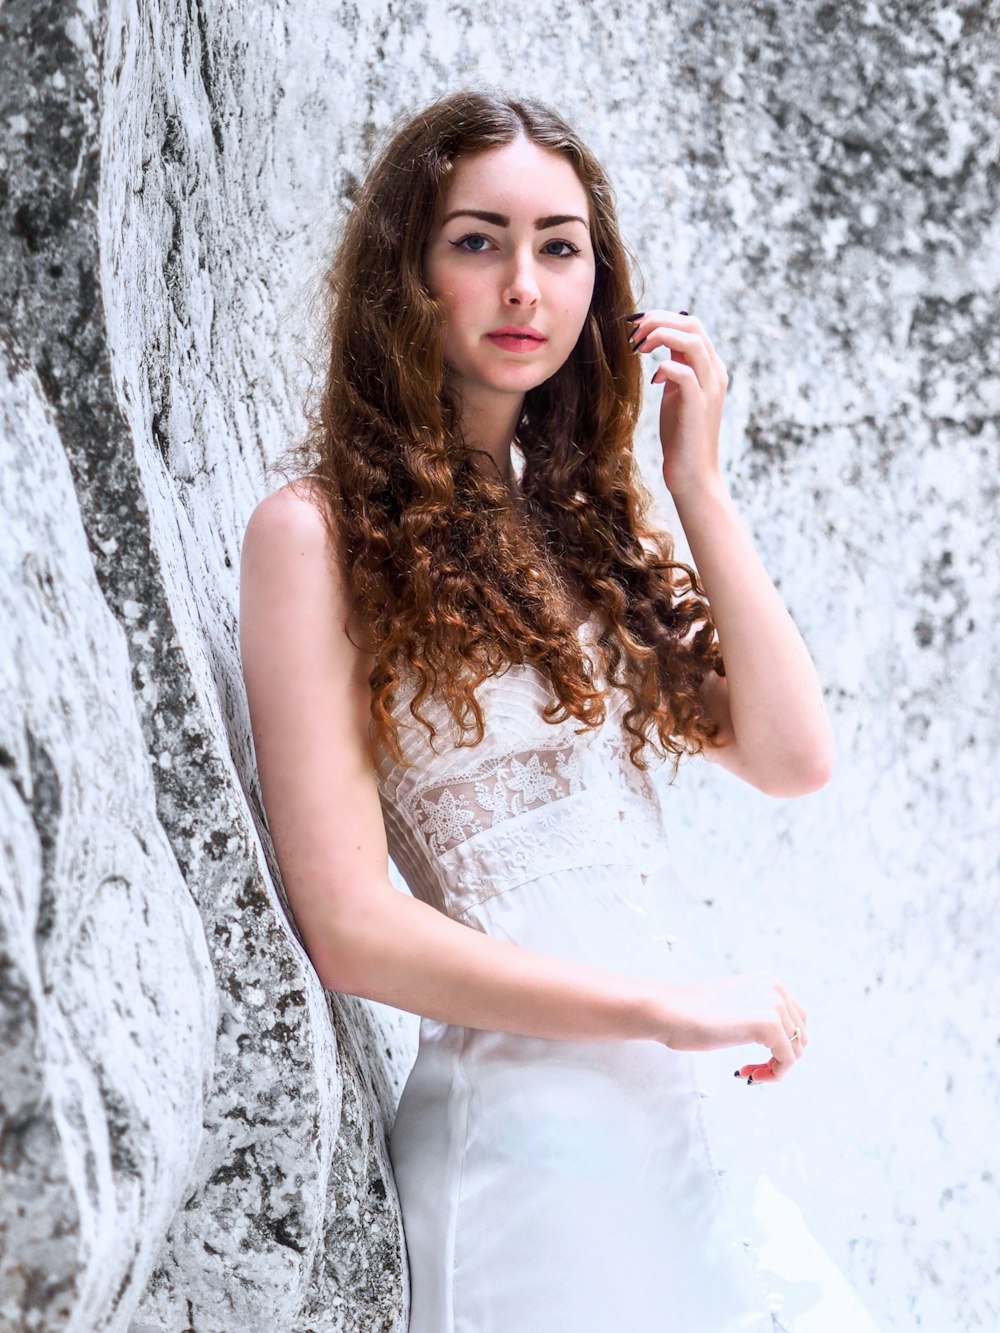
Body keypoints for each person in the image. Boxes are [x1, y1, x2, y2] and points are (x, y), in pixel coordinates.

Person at [239, 90, 882, 1332]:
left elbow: (793, 753)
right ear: (407, 274)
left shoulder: (574, 536)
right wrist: (668, 1007)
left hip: (681, 1129)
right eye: (477, 241)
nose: (523, 284)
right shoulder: (311, 537)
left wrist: (697, 483)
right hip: (531, 1152)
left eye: (559, 244)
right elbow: (353, 929)